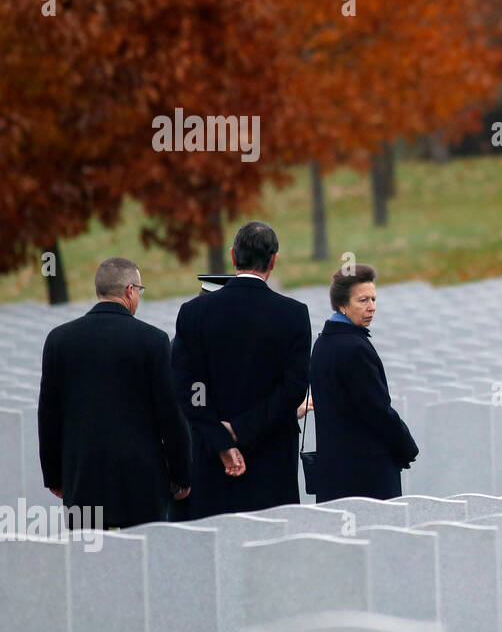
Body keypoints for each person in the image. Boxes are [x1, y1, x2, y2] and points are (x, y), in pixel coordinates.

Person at [37, 258, 191, 528]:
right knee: (142, 560)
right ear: (130, 291)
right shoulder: (152, 341)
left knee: (87, 559)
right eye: (140, 291)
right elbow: (169, 413)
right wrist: (182, 474)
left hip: (83, 475)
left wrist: (55, 476)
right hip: (141, 478)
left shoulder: (59, 340)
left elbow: (49, 414)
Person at [171, 221, 311, 518]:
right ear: (273, 259)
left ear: (233, 256)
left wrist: (221, 440)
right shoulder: (293, 315)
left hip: (213, 458)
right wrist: (241, 429)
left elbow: (187, 388)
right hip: (271, 458)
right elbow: (293, 389)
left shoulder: (194, 312)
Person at [308, 263, 418, 501]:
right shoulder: (354, 348)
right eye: (363, 300)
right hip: (365, 474)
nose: (372, 307)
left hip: (334, 473)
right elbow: (376, 410)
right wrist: (407, 447)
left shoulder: (323, 344)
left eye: (374, 299)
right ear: (342, 304)